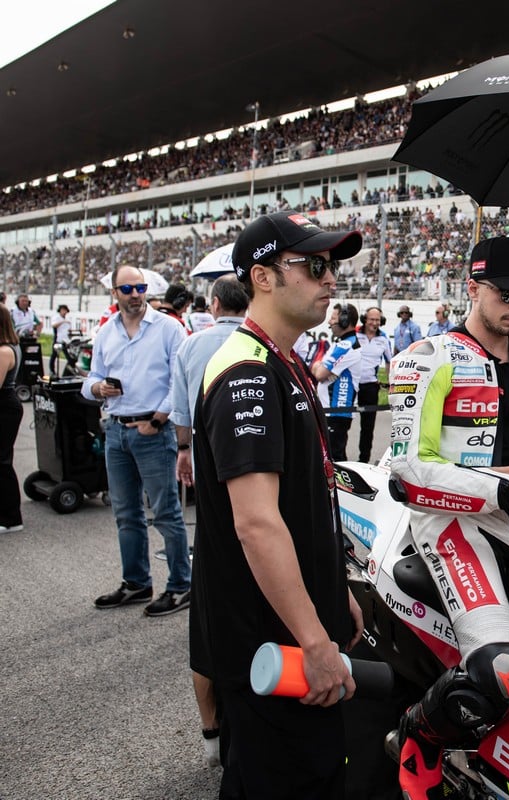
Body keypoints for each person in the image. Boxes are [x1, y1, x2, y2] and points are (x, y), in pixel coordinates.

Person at [389, 236, 509, 799]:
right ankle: (418, 734)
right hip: (453, 525)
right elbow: (406, 474)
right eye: (505, 292)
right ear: (471, 287)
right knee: (500, 670)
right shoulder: (426, 359)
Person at [190, 211, 364, 797]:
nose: (331, 279)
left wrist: (332, 592)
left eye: (333, 265)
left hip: (291, 621)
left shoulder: (283, 361)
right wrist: (315, 641)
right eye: (314, 266)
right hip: (272, 641)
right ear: (262, 277)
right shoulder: (248, 370)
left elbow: (300, 505)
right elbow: (258, 524)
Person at [168, 274, 249, 766]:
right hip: (263, 484)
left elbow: (181, 412)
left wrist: (183, 449)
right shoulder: (266, 346)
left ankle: (212, 733)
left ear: (214, 303)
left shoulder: (193, 345)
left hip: (211, 481)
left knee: (210, 615)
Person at [84, 265, 191, 617]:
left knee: (166, 513)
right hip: (116, 430)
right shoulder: (106, 332)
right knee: (126, 513)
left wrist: (158, 418)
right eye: (127, 289)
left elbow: (181, 381)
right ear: (114, 293)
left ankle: (180, 585)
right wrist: (98, 388)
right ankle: (137, 583)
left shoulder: (168, 328)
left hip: (152, 431)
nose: (134, 294)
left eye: (140, 287)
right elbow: (92, 378)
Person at [310, 303, 360, 462]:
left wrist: (318, 366)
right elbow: (319, 369)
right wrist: (319, 366)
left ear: (345, 320)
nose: (330, 323)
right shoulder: (342, 344)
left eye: (333, 318)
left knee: (334, 461)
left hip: (336, 411)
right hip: (332, 411)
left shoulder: (347, 345)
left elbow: (319, 373)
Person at [350, 306, 391, 463]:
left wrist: (389, 383)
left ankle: (363, 460)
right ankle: (339, 458)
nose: (375, 323)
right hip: (352, 386)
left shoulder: (383, 339)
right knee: (343, 422)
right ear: (364, 320)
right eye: (372, 319)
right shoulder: (355, 335)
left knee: (367, 427)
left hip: (370, 386)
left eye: (378, 320)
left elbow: (389, 362)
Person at [0, 306, 23, 533]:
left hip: (4, 407)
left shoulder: (5, 351)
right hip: (7, 405)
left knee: (2, 462)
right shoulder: (10, 346)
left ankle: (11, 518)